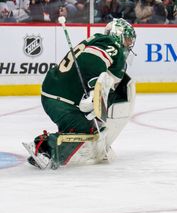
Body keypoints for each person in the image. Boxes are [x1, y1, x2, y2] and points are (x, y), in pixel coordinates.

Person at [23, 19, 136, 170]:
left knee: (88, 127)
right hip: (61, 99)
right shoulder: (112, 44)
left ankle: (47, 149)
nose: (129, 45)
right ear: (118, 34)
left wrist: (93, 89)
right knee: (88, 129)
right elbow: (91, 60)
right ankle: (43, 148)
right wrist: (92, 89)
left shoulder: (99, 41)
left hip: (57, 94)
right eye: (128, 39)